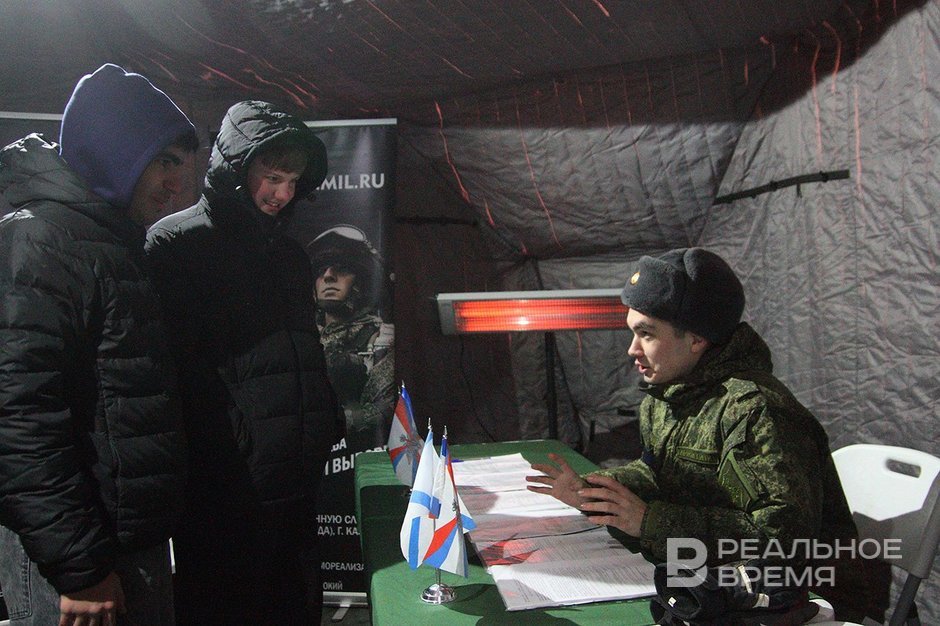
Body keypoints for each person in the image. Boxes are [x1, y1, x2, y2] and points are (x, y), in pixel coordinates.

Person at [526, 247, 872, 621]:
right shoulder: (671, 393)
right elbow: (658, 473)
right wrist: (597, 492)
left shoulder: (757, 412)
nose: (632, 350)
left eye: (646, 334)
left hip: (802, 602)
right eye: (632, 332)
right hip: (711, 588)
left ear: (696, 339)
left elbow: (785, 544)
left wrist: (649, 523)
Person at [0, 63, 198, 626]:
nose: (177, 183)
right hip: (75, 565)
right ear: (116, 151)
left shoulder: (110, 241)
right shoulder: (40, 241)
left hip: (124, 544)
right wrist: (79, 565)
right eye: (163, 161)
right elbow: (18, 419)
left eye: (182, 165)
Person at [145, 100, 343, 625]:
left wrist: (320, 424)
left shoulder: (289, 255)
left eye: (293, 182)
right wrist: (235, 448)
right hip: (225, 488)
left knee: (295, 608)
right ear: (236, 169)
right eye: (273, 178)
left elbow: (303, 354)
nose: (283, 194)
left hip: (294, 479)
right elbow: (178, 375)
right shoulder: (177, 244)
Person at [306, 224, 396, 450]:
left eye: (342, 269)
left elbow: (386, 408)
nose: (328, 276)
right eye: (321, 271)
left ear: (361, 282)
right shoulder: (303, 338)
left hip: (358, 455)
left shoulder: (380, 339)